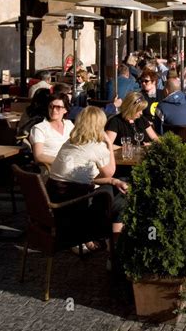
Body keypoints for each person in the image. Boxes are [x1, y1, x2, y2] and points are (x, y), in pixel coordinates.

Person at [48, 106, 128, 247]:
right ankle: (115, 248)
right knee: (120, 201)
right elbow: (110, 171)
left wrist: (112, 181)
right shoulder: (97, 146)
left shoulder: (69, 143)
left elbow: (83, 177)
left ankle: (105, 243)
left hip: (58, 201)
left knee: (112, 187)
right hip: (76, 207)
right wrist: (109, 143)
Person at [29, 92, 73, 167]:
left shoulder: (69, 125)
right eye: (51, 106)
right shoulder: (39, 128)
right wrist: (63, 162)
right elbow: (38, 156)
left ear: (65, 110)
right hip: (51, 170)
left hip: (72, 167)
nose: (54, 110)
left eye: (58, 107)